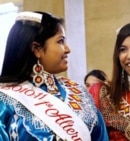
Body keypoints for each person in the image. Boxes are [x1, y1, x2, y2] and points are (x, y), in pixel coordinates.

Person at [0, 11, 108, 141]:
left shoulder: (78, 92)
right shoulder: (4, 101)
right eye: (60, 41)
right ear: (37, 49)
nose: (67, 49)